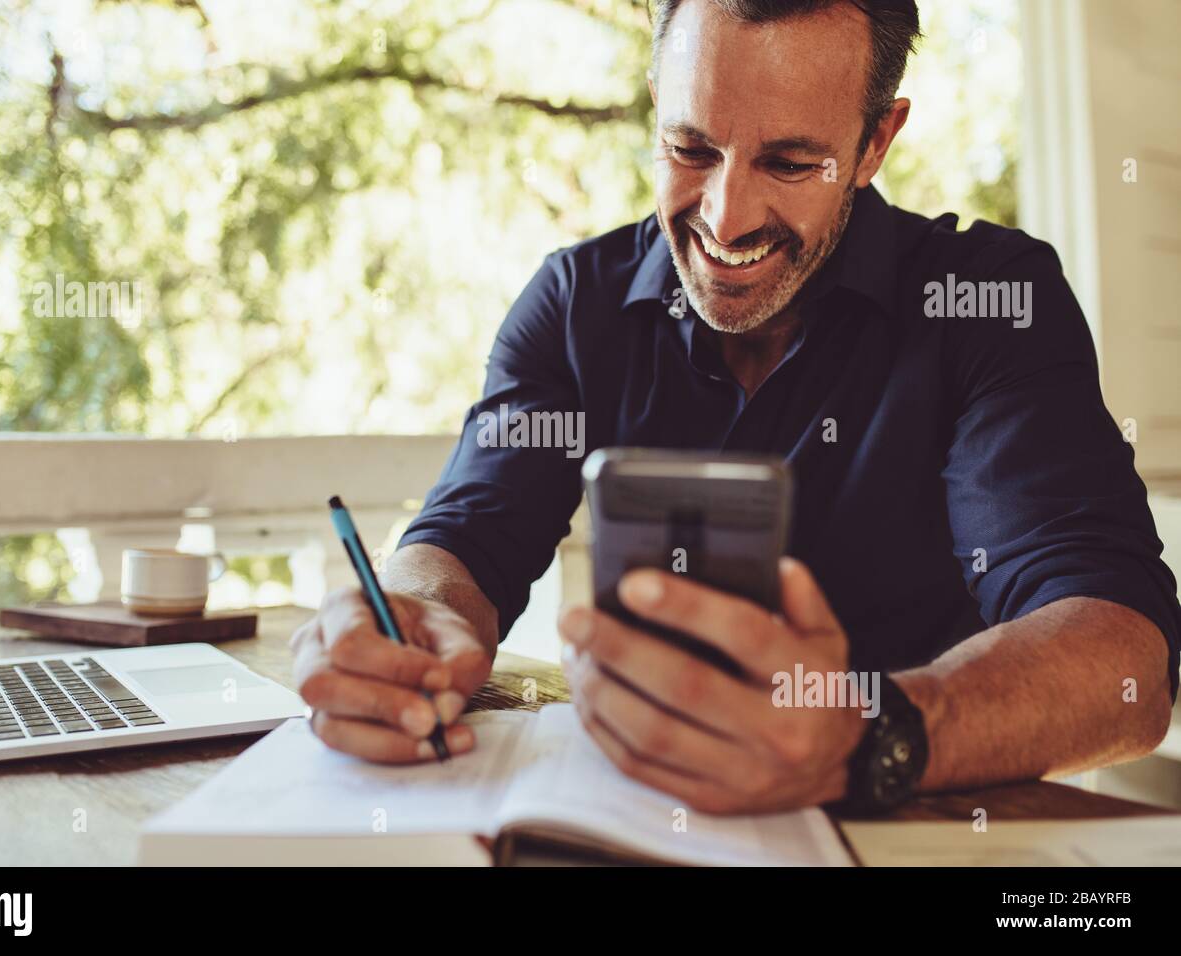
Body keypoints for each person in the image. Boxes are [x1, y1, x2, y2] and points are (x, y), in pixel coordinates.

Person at [291, 0, 1180, 814]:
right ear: (654, 105)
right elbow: (466, 540)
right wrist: (409, 618)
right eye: (691, 149)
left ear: (876, 142)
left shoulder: (987, 299)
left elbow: (1123, 656)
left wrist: (862, 736)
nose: (725, 215)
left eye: (791, 162)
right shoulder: (573, 305)